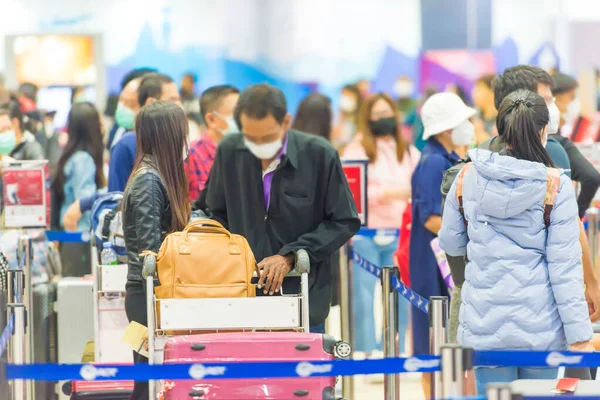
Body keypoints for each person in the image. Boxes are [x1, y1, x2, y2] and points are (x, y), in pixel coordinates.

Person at [439, 89, 594, 394]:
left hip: (484, 324)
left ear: (500, 131)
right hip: (540, 328)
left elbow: (451, 243)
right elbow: (564, 269)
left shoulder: (466, 176)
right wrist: (579, 335)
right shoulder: (556, 185)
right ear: (544, 132)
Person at [204, 84, 360, 332]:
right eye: (250, 137)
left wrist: (291, 255)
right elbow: (214, 211)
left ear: (286, 122)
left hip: (302, 295)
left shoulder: (319, 155)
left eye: (267, 138)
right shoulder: (230, 151)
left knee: (303, 369)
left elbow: (343, 220)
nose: (258, 145)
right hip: (240, 296)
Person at [342, 93, 419, 366]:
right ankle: (364, 350)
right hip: (365, 234)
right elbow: (352, 189)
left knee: (401, 295)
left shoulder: (408, 150)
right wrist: (391, 192)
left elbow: (419, 185)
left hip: (400, 233)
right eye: (376, 114)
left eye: (387, 112)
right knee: (363, 295)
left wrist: (403, 194)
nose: (382, 119)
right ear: (367, 118)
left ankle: (394, 346)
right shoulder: (356, 148)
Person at [122, 101, 191, 399]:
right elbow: (150, 252)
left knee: (156, 384)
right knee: (149, 387)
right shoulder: (149, 179)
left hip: (154, 294)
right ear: (170, 135)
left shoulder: (155, 174)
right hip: (149, 295)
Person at [410, 92, 476, 398]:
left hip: (447, 261)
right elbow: (431, 219)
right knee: (432, 343)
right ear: (448, 127)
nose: (470, 125)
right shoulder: (433, 161)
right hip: (433, 264)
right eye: (464, 120)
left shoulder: (449, 158)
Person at [62, 73, 181, 230]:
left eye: (129, 103)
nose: (179, 105)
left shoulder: (174, 141)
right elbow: (117, 196)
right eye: (173, 100)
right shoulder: (126, 142)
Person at [52, 102, 106, 276]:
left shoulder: (72, 157)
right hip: (79, 239)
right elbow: (85, 199)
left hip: (71, 238)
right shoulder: (83, 160)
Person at [185, 84, 240, 201]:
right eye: (236, 115)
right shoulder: (190, 157)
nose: (242, 120)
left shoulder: (249, 153)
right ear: (211, 119)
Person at [106, 67, 157, 149]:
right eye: (121, 101)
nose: (122, 107)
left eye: (129, 103)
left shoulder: (157, 136)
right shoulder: (119, 128)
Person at [331, 84, 362, 149]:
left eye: (348, 95)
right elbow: (334, 137)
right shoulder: (339, 114)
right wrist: (341, 119)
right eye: (343, 95)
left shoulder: (362, 114)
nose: (346, 98)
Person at [471, 74, 498, 142]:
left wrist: (482, 137)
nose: (474, 93)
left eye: (479, 89)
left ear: (492, 92)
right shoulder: (474, 117)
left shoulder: (503, 120)